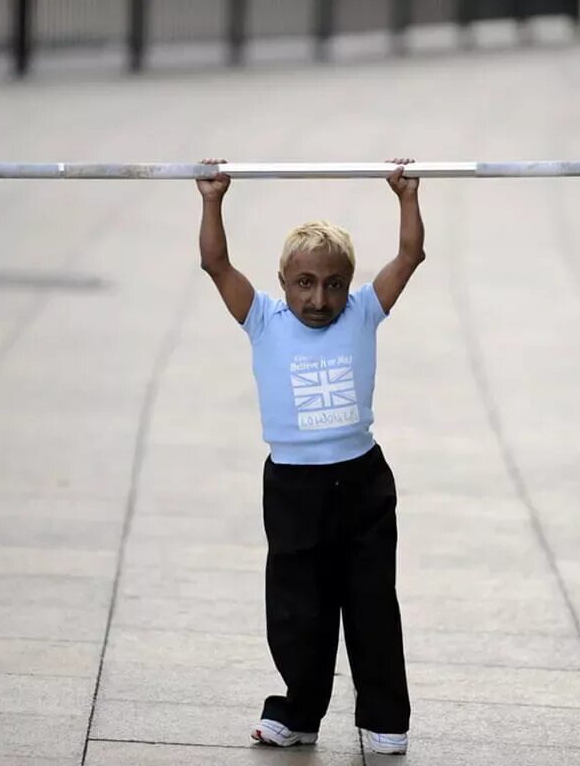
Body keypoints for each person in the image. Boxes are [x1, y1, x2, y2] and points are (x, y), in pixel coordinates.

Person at [195, 157, 426, 755]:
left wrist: (406, 196)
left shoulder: (365, 310)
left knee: (371, 602)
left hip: (362, 482)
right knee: (300, 607)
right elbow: (214, 263)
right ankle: (298, 713)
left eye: (332, 284)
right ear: (282, 281)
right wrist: (213, 199)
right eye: (304, 283)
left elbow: (410, 257)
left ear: (349, 286)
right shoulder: (263, 318)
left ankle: (384, 719)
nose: (318, 298)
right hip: (294, 488)